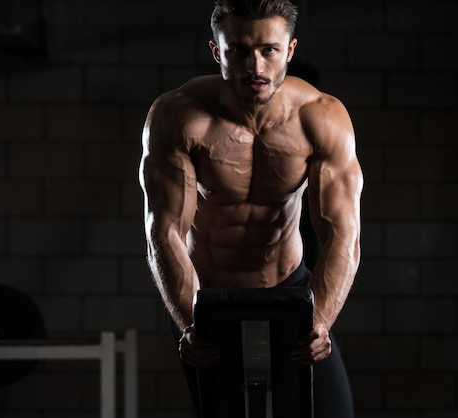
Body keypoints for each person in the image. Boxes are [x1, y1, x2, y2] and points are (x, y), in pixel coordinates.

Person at [138, 0, 363, 416]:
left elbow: (342, 235)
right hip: (206, 300)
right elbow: (164, 231)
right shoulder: (178, 117)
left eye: (268, 50)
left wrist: (321, 319)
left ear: (290, 50)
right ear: (215, 51)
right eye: (238, 51)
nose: (254, 67)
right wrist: (190, 322)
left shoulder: (321, 118)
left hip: (291, 291)